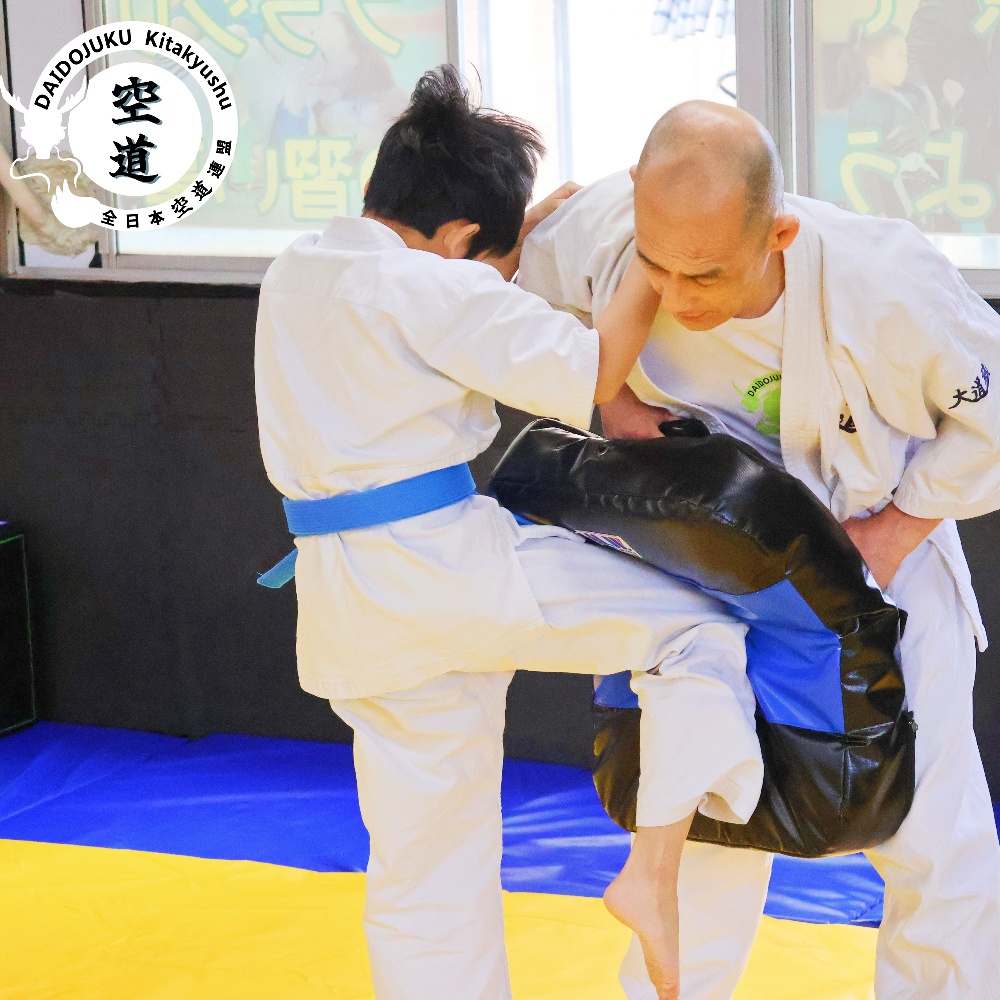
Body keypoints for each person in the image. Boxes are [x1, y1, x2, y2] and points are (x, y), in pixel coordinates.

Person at [255, 71, 764, 1000]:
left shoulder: (299, 267)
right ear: (457, 239)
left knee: (423, 867)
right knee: (703, 626)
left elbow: (433, 292)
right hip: (446, 571)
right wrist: (655, 259)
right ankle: (655, 868)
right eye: (496, 261)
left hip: (348, 606)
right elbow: (595, 367)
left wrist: (502, 243)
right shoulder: (434, 288)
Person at [517, 100, 1000, 999]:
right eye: (657, 266)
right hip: (714, 561)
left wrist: (894, 531)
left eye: (703, 275)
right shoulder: (611, 228)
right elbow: (518, 292)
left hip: (871, 549)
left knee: (935, 837)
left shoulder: (887, 283)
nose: (676, 297)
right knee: (707, 817)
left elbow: (994, 420)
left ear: (778, 233)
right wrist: (615, 399)